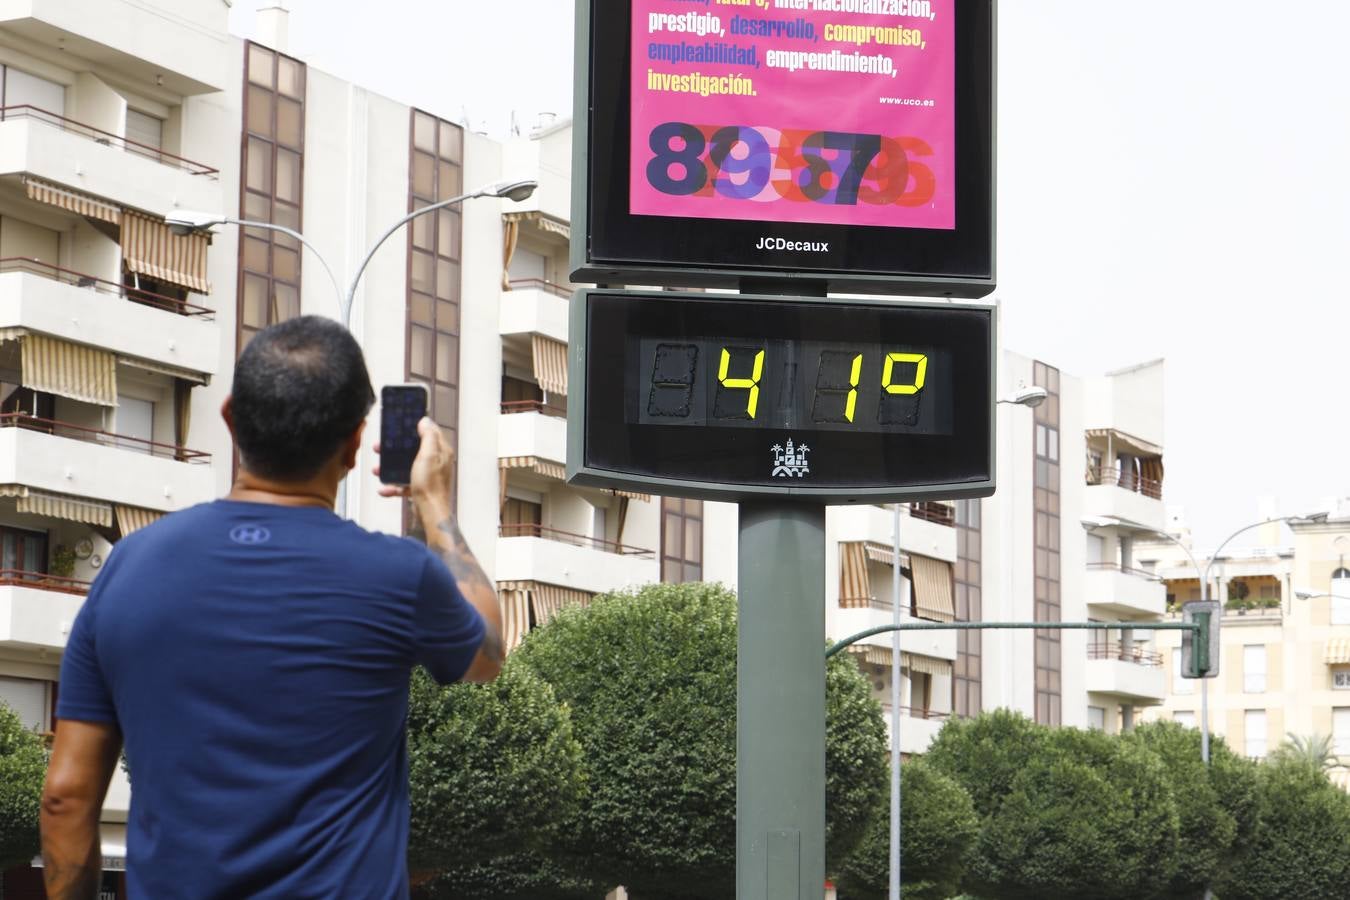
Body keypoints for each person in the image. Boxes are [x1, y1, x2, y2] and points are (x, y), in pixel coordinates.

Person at [39, 316, 504, 899]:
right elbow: (487, 651)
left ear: (230, 418)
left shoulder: (130, 567)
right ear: (355, 444)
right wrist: (433, 501)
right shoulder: (398, 576)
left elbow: (66, 798)